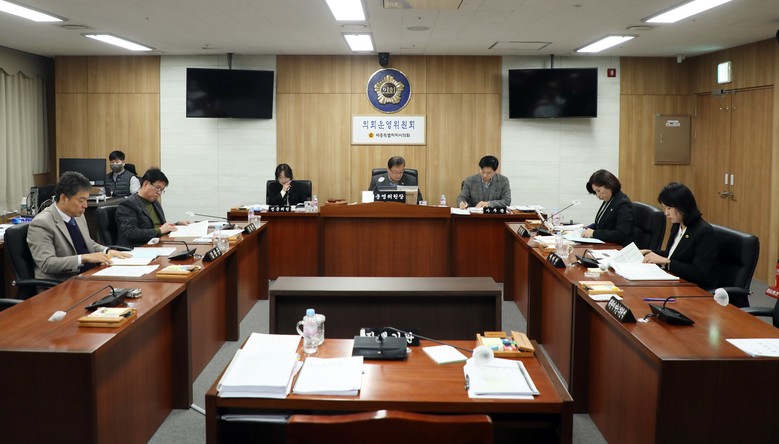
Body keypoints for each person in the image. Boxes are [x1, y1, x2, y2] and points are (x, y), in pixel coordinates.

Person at [27, 171, 131, 281]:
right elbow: (46, 263)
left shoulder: (77, 215)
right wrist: (83, 258)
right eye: (81, 200)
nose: (85, 205)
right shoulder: (42, 223)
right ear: (63, 198)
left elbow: (88, 243)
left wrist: (107, 251)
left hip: (88, 275)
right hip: (63, 283)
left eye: (86, 200)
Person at [641, 182, 717, 288]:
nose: (666, 213)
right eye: (665, 208)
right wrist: (649, 253)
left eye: (669, 208)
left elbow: (700, 273)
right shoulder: (677, 225)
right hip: (674, 282)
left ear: (682, 206)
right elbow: (673, 255)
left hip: (693, 289)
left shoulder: (704, 233)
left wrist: (666, 262)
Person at [116, 168, 188, 247]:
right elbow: (130, 233)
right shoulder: (128, 204)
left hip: (157, 243)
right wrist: (159, 230)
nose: (159, 193)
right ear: (146, 184)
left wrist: (176, 225)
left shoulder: (155, 202)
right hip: (140, 247)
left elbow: (160, 227)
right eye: (157, 188)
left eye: (162, 190)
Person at [581, 169, 634, 245]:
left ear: (608, 185)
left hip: (618, 247)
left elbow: (621, 234)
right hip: (607, 244)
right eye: (595, 192)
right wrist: (585, 229)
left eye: (598, 191)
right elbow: (600, 224)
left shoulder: (623, 204)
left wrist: (594, 233)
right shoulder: (610, 199)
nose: (598, 195)